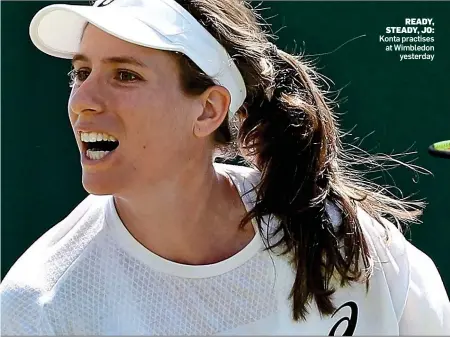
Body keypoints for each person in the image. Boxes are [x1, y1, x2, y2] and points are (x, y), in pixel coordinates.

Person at [1, 0, 449, 335]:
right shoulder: (38, 309)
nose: (83, 102)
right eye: (81, 73)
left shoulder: (350, 243)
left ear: (208, 110)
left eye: (125, 75)